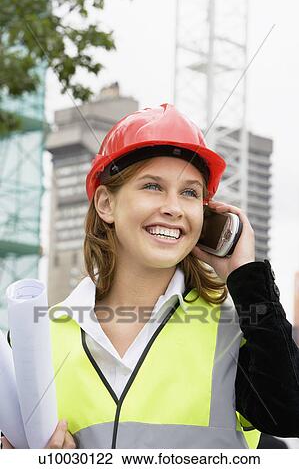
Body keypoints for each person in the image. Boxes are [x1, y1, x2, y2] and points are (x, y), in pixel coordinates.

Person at [1, 103, 299, 450]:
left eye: (190, 192)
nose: (173, 207)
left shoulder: (233, 334)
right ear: (105, 203)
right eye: (153, 186)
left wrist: (246, 276)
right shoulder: (36, 340)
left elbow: (290, 414)